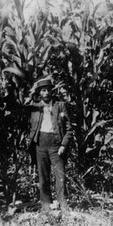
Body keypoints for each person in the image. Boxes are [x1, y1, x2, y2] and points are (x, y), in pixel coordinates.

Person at [27, 78, 73, 212]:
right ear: (39, 93)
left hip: (56, 145)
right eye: (43, 90)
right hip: (40, 145)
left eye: (48, 90)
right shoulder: (35, 107)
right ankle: (46, 207)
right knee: (43, 177)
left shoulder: (60, 106)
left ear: (52, 91)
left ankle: (63, 206)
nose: (46, 93)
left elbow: (69, 128)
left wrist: (63, 145)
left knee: (61, 176)